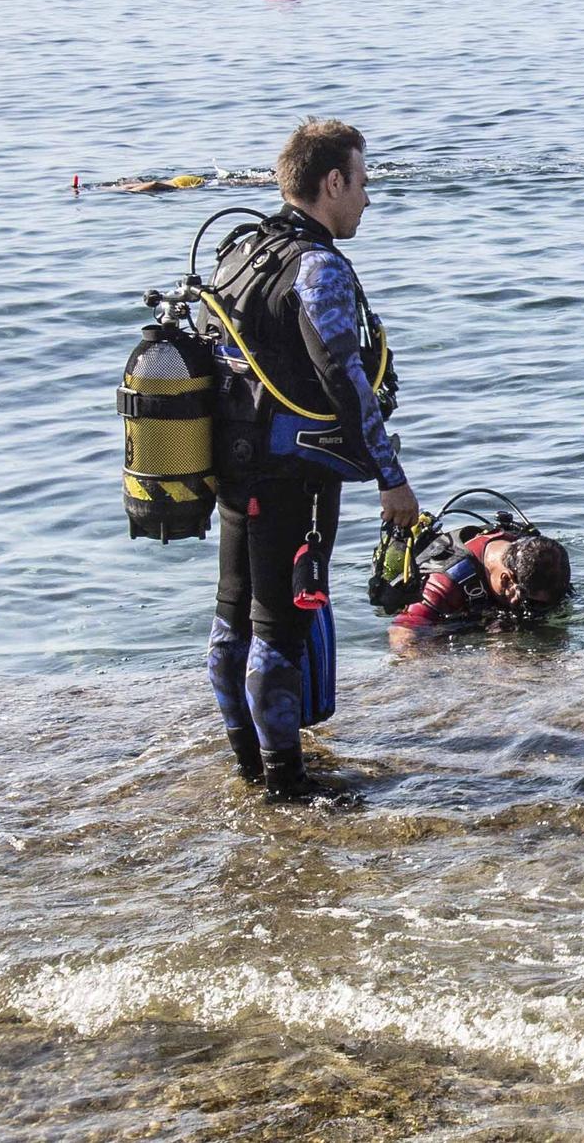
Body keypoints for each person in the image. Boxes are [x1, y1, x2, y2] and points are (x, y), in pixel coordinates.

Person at [203, 118, 418, 803]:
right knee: (278, 632)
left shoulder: (243, 250)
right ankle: (286, 786)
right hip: (291, 478)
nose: (366, 199)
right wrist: (392, 479)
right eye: (362, 183)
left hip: (234, 470)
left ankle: (250, 766)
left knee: (232, 617)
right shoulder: (317, 266)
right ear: (332, 183)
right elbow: (344, 378)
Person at [387, 525, 571, 650]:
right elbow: (403, 632)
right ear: (506, 580)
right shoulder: (445, 582)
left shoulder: (534, 556)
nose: (541, 611)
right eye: (533, 604)